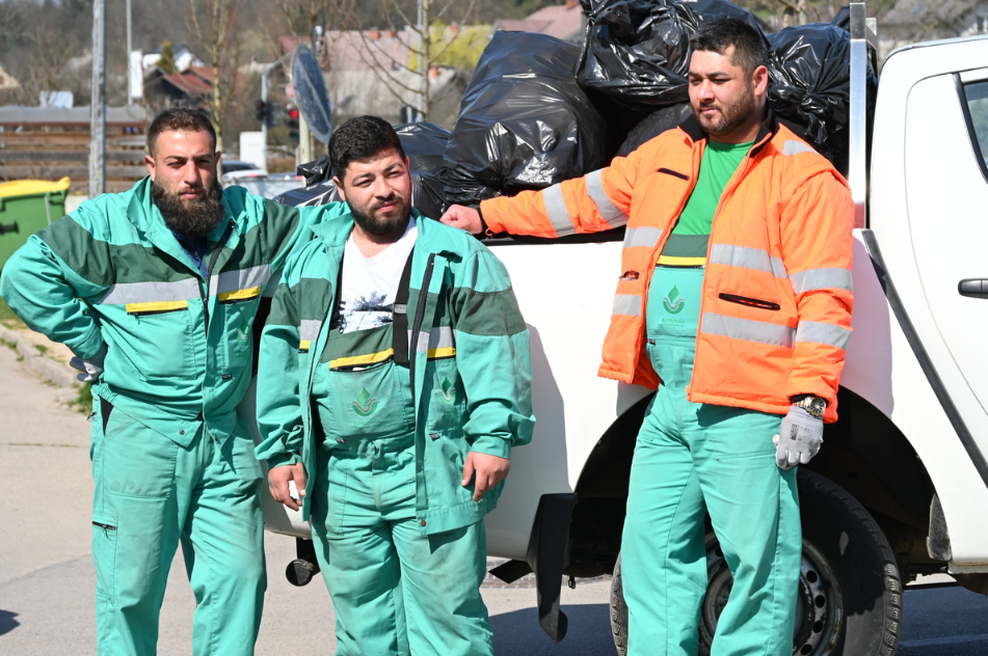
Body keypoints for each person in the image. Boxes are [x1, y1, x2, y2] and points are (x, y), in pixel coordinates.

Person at [441, 18, 854, 656]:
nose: (703, 94)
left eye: (719, 79)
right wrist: (489, 216)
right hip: (671, 401)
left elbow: (826, 298)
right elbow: (579, 202)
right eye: (694, 80)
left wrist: (808, 399)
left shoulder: (803, 178)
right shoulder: (666, 157)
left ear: (760, 81)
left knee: (761, 568)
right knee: (652, 557)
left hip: (749, 407)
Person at [0, 108, 350, 656]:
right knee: (130, 593)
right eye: (177, 163)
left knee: (239, 584)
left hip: (224, 435)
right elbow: (23, 276)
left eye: (204, 162)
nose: (192, 177)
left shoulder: (251, 225)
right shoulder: (108, 225)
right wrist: (94, 346)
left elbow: (321, 230)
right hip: (141, 435)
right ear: (150, 166)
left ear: (218, 163)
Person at [254, 115, 535, 656]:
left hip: (430, 467)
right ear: (339, 189)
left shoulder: (460, 258)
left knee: (448, 626)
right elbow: (282, 360)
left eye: (393, 173)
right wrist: (282, 450)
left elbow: (496, 353)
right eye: (365, 180)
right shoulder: (309, 265)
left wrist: (493, 437)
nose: (384, 190)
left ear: (409, 169)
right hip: (340, 476)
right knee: (364, 632)